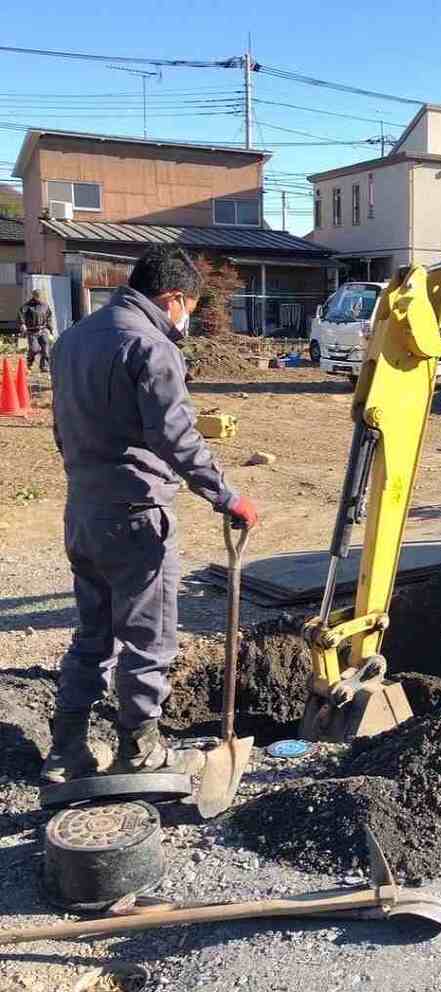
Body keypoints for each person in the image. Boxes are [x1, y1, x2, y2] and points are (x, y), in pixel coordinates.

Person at [42, 247, 259, 784]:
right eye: (188, 307)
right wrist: (226, 496)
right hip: (137, 515)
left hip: (84, 511)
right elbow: (176, 437)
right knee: (149, 638)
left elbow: (60, 427)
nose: (185, 318)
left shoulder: (72, 340)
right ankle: (138, 750)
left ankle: (66, 747)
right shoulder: (151, 346)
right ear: (174, 299)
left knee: (93, 634)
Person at [19, 289, 54, 372]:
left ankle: (44, 366)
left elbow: (49, 317)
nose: (39, 298)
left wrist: (50, 329)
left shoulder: (45, 305)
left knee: (45, 349)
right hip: (32, 331)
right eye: (37, 297)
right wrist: (22, 324)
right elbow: (21, 315)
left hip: (43, 330)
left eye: (40, 297)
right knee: (34, 349)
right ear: (34, 296)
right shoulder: (27, 306)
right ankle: (29, 362)